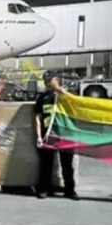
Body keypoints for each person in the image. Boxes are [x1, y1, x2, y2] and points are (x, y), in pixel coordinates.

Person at [34, 72, 79, 200]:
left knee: (67, 165)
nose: (47, 82)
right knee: (46, 164)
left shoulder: (67, 96)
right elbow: (38, 118)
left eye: (50, 79)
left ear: (57, 79)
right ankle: (43, 189)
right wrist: (38, 136)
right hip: (48, 135)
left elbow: (77, 104)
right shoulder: (42, 98)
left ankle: (70, 190)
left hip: (65, 135)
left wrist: (60, 90)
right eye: (45, 80)